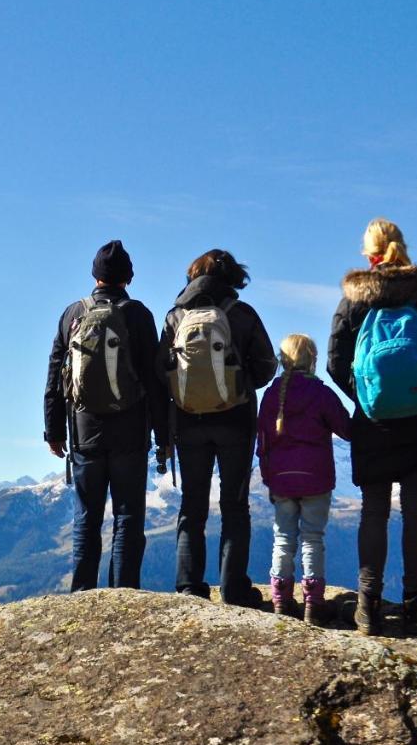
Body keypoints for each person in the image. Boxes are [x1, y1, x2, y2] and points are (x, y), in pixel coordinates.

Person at [327, 219, 417, 635]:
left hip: (375, 423)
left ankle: (367, 607)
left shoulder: (353, 301)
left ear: (369, 254)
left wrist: (365, 395)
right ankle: (415, 603)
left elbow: (334, 361)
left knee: (374, 511)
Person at [44, 240, 168, 591]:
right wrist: (163, 434)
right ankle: (124, 594)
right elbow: (153, 379)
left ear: (95, 276)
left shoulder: (72, 315)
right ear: (128, 277)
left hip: (84, 430)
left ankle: (82, 593)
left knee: (87, 517)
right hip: (130, 430)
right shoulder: (139, 315)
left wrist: (53, 431)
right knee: (128, 516)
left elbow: (55, 376)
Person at [160, 249, 276, 606]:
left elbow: (159, 369)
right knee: (235, 506)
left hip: (188, 421)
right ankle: (233, 589)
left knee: (192, 505)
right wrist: (237, 384)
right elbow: (267, 366)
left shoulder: (175, 317)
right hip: (235, 421)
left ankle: (188, 588)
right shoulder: (242, 314)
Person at [257, 333, 351, 625]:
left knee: (283, 538)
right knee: (313, 538)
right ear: (312, 360)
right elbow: (347, 428)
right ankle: (313, 602)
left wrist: (268, 478)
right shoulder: (321, 394)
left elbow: (262, 442)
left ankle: (281, 600)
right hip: (316, 479)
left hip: (282, 481)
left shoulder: (272, 395)